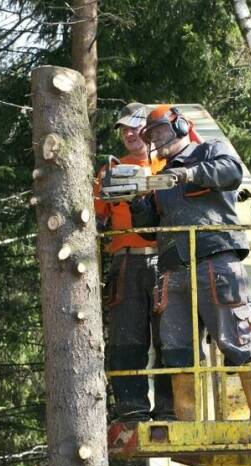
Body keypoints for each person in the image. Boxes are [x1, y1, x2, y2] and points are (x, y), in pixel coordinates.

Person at [131, 104, 251, 421]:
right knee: (177, 348)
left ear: (181, 126)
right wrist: (137, 199)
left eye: (162, 130)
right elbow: (147, 230)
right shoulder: (159, 176)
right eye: (153, 134)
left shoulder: (210, 150)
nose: (158, 138)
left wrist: (191, 173)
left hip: (215, 259)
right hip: (173, 268)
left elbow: (231, 172)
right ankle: (188, 423)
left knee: (236, 337)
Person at [94, 102, 175, 422]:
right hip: (126, 263)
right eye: (123, 129)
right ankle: (132, 408)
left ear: (151, 130)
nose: (128, 133)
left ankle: (170, 409)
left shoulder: (170, 165)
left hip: (167, 261)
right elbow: (97, 220)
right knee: (127, 338)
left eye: (134, 127)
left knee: (170, 337)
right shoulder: (109, 172)